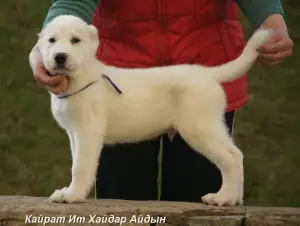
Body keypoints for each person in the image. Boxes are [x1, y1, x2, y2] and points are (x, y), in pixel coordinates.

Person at [29, 0, 293, 202]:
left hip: (201, 62)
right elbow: (71, 4)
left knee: (197, 198)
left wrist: (272, 20)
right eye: (52, 42)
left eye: (74, 41)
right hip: (120, 73)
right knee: (122, 203)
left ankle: (231, 187)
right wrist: (44, 47)